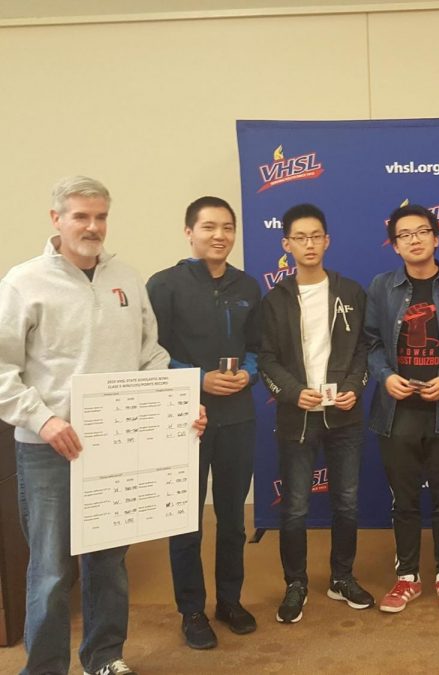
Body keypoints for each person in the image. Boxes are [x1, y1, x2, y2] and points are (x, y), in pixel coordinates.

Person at [0, 176, 206, 675]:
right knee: (50, 570)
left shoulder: (127, 278)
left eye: (100, 217)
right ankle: (45, 667)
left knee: (108, 562)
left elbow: (150, 355)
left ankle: (104, 657)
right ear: (56, 220)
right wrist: (43, 420)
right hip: (49, 448)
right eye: (80, 216)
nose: (93, 227)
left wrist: (177, 408)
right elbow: (3, 369)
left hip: (116, 446)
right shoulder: (22, 282)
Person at [147, 197, 262, 649]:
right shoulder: (164, 284)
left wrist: (247, 372)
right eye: (209, 226)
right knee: (186, 519)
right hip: (184, 418)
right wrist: (197, 379)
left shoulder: (248, 285)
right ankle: (191, 610)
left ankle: (229, 600)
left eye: (227, 227)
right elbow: (151, 352)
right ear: (188, 232)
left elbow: (259, 344)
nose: (219, 235)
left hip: (238, 416)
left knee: (233, 518)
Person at [258, 203, 373, 624]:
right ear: (287, 245)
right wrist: (292, 393)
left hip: (344, 417)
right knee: (294, 507)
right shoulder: (275, 300)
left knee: (346, 502)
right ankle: (296, 583)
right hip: (298, 417)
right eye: (300, 238)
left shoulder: (351, 292)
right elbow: (266, 358)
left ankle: (341, 577)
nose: (309, 244)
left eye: (316, 236)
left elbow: (363, 350)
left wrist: (353, 389)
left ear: (327, 240)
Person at [365, 204, 439, 615]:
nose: (414, 239)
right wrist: (384, 376)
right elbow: (371, 343)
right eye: (404, 235)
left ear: (436, 237)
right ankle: (407, 577)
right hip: (396, 412)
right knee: (404, 500)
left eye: (421, 231)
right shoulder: (380, 287)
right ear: (394, 245)